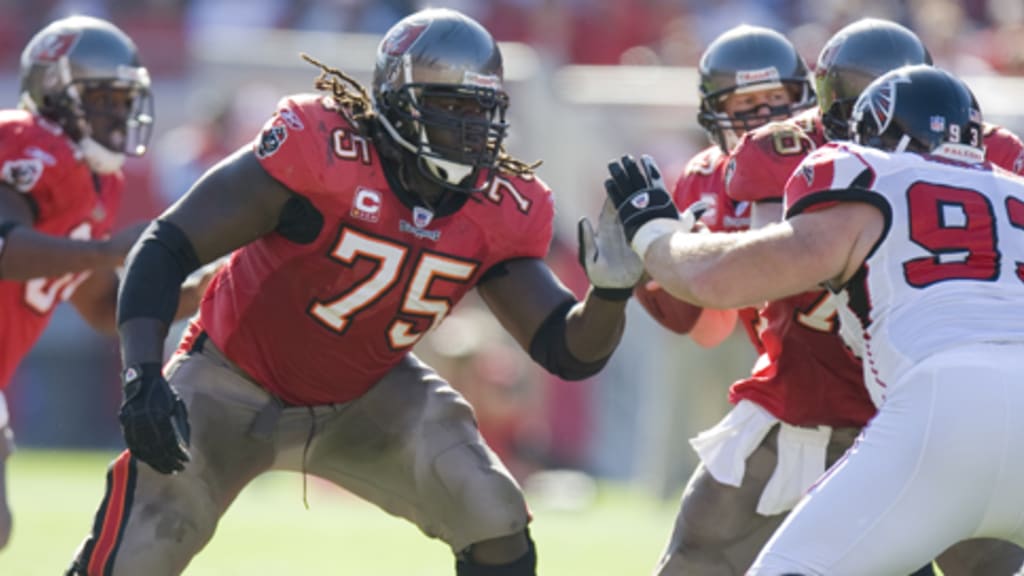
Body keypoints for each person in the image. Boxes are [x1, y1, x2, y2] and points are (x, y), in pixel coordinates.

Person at [65, 8, 641, 576]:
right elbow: (167, 245)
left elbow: (565, 350)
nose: (470, 130)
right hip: (228, 378)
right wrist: (142, 374)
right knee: (136, 554)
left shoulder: (500, 206)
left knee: (492, 511)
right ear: (395, 103)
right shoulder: (323, 152)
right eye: (449, 107)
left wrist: (609, 295)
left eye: (481, 110)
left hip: (367, 392)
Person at [607, 64, 1024, 575]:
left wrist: (653, 235)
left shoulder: (873, 176)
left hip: (944, 400)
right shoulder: (1014, 188)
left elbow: (716, 280)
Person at [0, 15, 209, 552]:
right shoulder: (23, 141)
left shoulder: (98, 180)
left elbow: (98, 305)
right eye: (103, 98)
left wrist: (212, 284)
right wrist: (110, 249)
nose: (118, 114)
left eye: (124, 100)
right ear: (53, 95)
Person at [634, 24, 816, 348]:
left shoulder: (829, 167)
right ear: (718, 112)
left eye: (776, 97)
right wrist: (663, 263)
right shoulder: (704, 177)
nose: (765, 113)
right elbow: (712, 331)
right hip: (779, 359)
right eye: (746, 103)